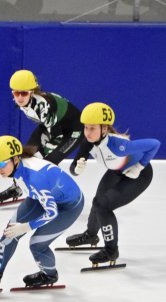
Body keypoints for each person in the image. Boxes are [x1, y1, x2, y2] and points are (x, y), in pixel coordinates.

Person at [0, 135, 84, 292]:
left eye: (1, 164)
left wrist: (26, 226)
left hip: (69, 206)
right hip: (40, 197)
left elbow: (52, 212)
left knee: (36, 245)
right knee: (9, 233)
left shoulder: (35, 178)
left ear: (16, 158)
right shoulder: (20, 166)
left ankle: (50, 275)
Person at [66, 102, 160, 265]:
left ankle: (111, 251)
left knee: (103, 205)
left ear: (104, 128)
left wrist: (140, 166)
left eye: (92, 128)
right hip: (116, 171)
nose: (87, 133)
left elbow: (154, 144)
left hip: (139, 175)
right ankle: (91, 235)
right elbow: (74, 167)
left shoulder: (118, 146)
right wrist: (76, 169)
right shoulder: (87, 141)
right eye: (86, 127)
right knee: (97, 202)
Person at [0, 69, 84, 203]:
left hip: (73, 130)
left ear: (31, 92)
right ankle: (19, 187)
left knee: (49, 161)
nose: (19, 97)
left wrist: (42, 154)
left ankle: (53, 192)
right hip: (53, 125)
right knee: (24, 156)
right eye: (16, 93)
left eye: (23, 93)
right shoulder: (25, 102)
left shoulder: (42, 106)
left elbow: (57, 136)